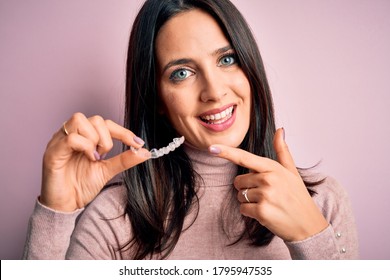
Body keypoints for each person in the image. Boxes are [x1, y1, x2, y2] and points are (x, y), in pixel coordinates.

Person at [23, 0, 358, 260]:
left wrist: (312, 237)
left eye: (227, 59)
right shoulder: (113, 218)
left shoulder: (322, 201)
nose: (213, 91)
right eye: (182, 73)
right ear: (156, 99)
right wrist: (56, 213)